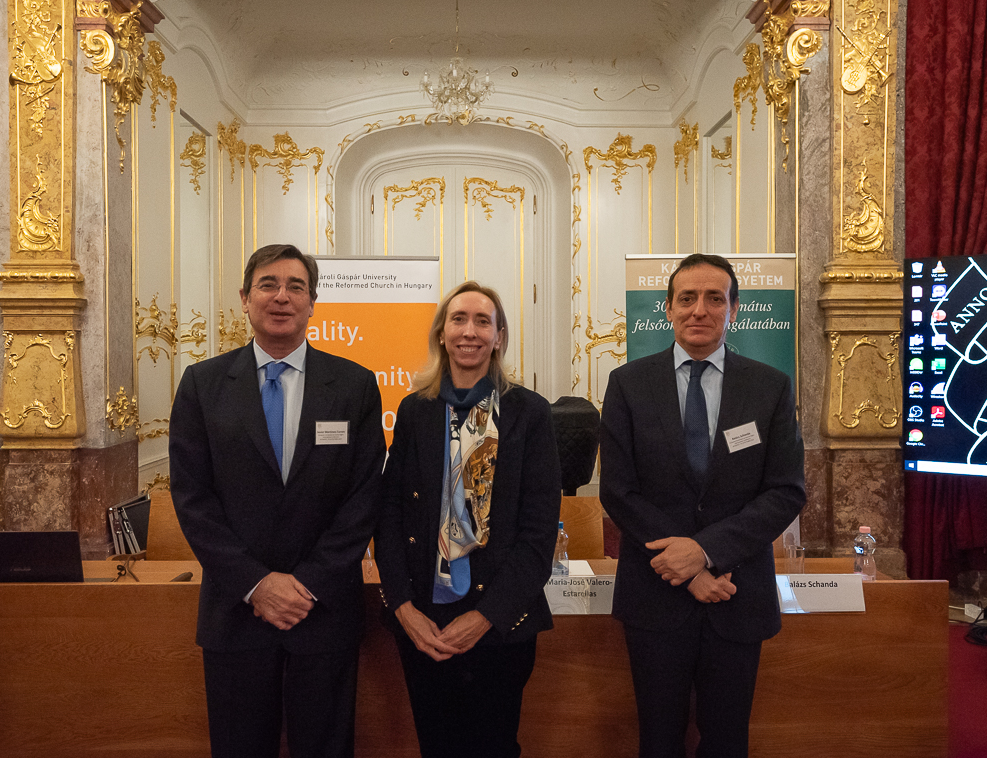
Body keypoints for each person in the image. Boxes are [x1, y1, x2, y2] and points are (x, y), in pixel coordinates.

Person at [169, 243, 385, 758]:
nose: (281, 297)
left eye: (296, 287)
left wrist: (307, 584)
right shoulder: (202, 385)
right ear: (245, 299)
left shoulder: (354, 385)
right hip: (237, 611)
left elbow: (364, 497)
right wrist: (257, 584)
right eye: (268, 285)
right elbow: (193, 498)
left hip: (323, 611)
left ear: (313, 303)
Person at [599, 253, 806, 758]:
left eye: (715, 298)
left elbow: (785, 490)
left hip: (736, 592)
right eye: (687, 298)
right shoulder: (628, 384)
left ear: (733, 309)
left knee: (727, 740)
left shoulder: (770, 386)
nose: (700, 310)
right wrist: (689, 569)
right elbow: (619, 491)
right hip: (655, 595)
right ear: (668, 308)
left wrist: (706, 552)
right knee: (658, 739)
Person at [375, 281, 562, 758]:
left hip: (499, 622)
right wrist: (402, 608)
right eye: (458, 319)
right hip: (423, 622)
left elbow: (538, 534)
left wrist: (485, 617)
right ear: (442, 333)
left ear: (499, 337)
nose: (469, 332)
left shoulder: (529, 413)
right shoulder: (415, 411)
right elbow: (390, 514)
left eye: (483, 322)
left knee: (494, 747)